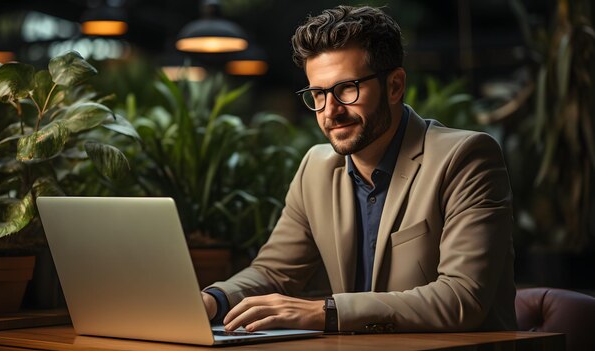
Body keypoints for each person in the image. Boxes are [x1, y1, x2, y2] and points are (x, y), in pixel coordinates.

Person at [201, 5, 517, 333]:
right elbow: (274, 272)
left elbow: (462, 298)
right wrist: (214, 300)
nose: (330, 111)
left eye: (347, 89)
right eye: (318, 94)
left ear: (394, 86)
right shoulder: (316, 168)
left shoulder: (466, 158)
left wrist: (327, 312)